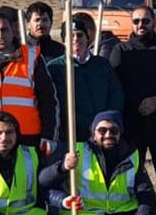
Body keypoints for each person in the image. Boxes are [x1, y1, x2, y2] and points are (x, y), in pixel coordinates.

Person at [45, 110, 156, 215]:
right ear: (93, 132)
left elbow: (146, 195)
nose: (108, 134)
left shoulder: (132, 155)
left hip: (119, 214)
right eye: (102, 130)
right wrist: (62, 167)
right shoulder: (75, 152)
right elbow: (44, 182)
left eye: (114, 130)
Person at [0, 7, 57, 149]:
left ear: (12, 30)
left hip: (27, 136)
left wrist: (48, 135)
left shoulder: (31, 56)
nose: (0, 35)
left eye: (4, 30)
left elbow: (48, 99)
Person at [108, 5, 156, 167]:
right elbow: (115, 85)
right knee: (132, 172)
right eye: (136, 21)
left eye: (146, 21)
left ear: (154, 22)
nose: (141, 25)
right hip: (132, 122)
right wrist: (136, 102)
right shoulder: (121, 51)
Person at [44, 12, 123, 143]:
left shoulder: (102, 65)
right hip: (69, 137)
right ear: (64, 40)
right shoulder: (54, 68)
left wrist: (107, 121)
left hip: (101, 135)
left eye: (79, 35)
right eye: (70, 35)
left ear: (88, 38)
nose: (75, 39)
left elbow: (116, 95)